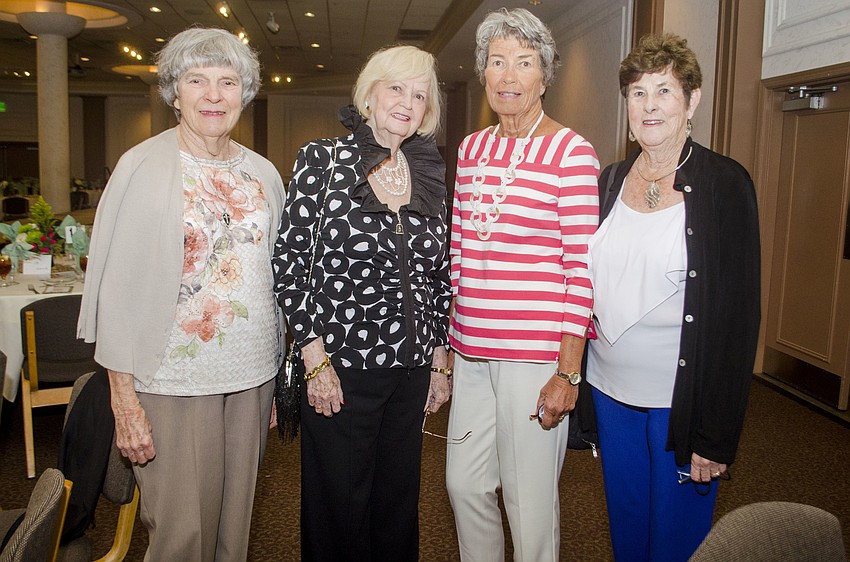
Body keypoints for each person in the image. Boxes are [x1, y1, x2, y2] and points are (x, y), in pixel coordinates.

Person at [77, 27, 285, 560]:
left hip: (251, 378)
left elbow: (276, 277)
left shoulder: (263, 174)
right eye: (197, 80)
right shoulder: (142, 167)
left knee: (234, 531)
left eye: (227, 81)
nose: (214, 95)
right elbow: (115, 291)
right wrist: (124, 401)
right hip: (171, 378)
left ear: (246, 92)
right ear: (174, 91)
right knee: (182, 535)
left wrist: (278, 380)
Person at [272, 45, 451, 561]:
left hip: (410, 370)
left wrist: (439, 357)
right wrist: (313, 356)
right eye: (396, 87)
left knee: (397, 506)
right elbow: (289, 262)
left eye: (420, 95)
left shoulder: (426, 171)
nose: (407, 102)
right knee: (338, 509)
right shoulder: (324, 160)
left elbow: (436, 273)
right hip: (341, 368)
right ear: (370, 94)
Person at [587, 33, 760, 562]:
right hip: (609, 394)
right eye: (637, 93)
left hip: (680, 405)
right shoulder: (610, 180)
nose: (649, 106)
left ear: (693, 100)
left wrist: (716, 433)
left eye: (663, 90)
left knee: (676, 544)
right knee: (628, 532)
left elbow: (737, 318)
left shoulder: (726, 184)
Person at [445, 8, 600, 561]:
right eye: (497, 62)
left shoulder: (571, 153)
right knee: (464, 486)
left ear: (544, 76)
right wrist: (447, 351)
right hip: (472, 352)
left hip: (534, 357)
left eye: (524, 63)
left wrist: (567, 370)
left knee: (529, 505)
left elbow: (582, 269)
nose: (508, 76)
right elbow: (459, 253)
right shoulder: (471, 149)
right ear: (484, 74)